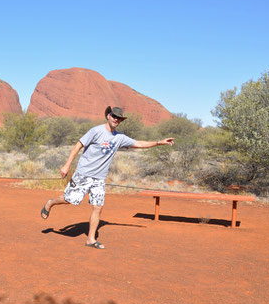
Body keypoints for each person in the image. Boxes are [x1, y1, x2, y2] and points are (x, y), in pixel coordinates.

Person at [40, 106, 175, 249]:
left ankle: (90, 239)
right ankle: (50, 202)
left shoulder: (119, 137)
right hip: (84, 174)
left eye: (119, 118)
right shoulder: (96, 131)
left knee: (98, 207)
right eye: (114, 116)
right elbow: (78, 146)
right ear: (108, 116)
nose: (116, 119)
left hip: (99, 178)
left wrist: (159, 142)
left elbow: (139, 143)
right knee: (69, 200)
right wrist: (67, 165)